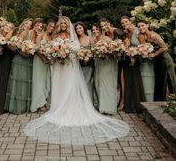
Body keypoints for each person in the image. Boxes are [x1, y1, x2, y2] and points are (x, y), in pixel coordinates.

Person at [24, 16, 129, 145]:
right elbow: (50, 47)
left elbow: (76, 48)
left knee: (70, 86)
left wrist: (66, 51)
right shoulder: (55, 35)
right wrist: (56, 52)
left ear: (68, 24)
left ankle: (71, 106)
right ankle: (58, 106)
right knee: (59, 85)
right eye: (61, 23)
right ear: (59, 24)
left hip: (70, 65)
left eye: (65, 23)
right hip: (58, 65)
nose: (63, 24)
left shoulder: (72, 34)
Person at [5, 18, 44, 114]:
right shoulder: (25, 32)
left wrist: (31, 50)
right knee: (18, 82)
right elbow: (16, 44)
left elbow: (37, 48)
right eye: (37, 25)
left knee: (27, 83)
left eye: (41, 26)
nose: (38, 27)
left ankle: (25, 106)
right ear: (33, 25)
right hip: (20, 60)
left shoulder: (38, 36)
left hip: (29, 61)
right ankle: (16, 107)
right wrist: (23, 50)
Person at [137, 20, 176, 101]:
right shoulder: (145, 37)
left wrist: (154, 55)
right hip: (157, 61)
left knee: (167, 80)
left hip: (164, 60)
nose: (141, 27)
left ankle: (170, 101)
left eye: (142, 25)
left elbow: (164, 47)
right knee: (160, 81)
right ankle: (160, 101)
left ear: (147, 25)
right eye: (139, 26)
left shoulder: (153, 35)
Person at [120, 16, 146, 112]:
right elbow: (126, 46)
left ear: (130, 22)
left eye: (126, 22)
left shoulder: (137, 31)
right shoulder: (125, 33)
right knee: (128, 82)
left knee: (135, 82)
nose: (124, 24)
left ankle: (137, 106)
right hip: (128, 60)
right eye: (122, 23)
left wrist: (136, 54)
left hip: (137, 60)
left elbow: (144, 46)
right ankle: (129, 106)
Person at [92, 24, 118, 115]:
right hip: (98, 63)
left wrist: (106, 52)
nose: (95, 31)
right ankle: (102, 106)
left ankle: (109, 107)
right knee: (99, 84)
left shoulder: (107, 39)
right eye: (93, 30)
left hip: (108, 63)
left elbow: (114, 53)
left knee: (108, 84)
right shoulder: (93, 40)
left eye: (97, 30)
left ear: (100, 30)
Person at [99, 18, 125, 111]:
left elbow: (124, 44)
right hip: (113, 59)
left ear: (109, 23)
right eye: (102, 26)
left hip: (123, 58)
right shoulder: (105, 34)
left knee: (122, 81)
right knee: (117, 80)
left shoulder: (117, 31)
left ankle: (122, 102)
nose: (104, 27)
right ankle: (115, 102)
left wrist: (118, 50)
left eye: (105, 25)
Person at [30, 19, 55, 112]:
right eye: (50, 26)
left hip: (47, 62)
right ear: (46, 26)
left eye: (53, 27)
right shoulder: (40, 35)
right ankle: (39, 104)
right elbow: (36, 49)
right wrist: (43, 58)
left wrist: (49, 57)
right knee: (39, 81)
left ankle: (45, 101)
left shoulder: (52, 38)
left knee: (46, 81)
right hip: (39, 60)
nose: (51, 28)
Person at [0, 22, 14, 114]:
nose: (7, 28)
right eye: (6, 26)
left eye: (10, 27)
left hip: (7, 60)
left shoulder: (12, 38)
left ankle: (2, 107)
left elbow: (13, 49)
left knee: (4, 82)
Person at [75, 21, 94, 101]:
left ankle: (89, 101)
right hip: (78, 65)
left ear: (84, 28)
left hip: (89, 65)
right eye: (77, 29)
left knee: (87, 83)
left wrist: (88, 56)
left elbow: (93, 51)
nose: (79, 30)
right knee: (79, 84)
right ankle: (80, 101)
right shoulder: (76, 40)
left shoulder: (90, 38)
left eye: (80, 28)